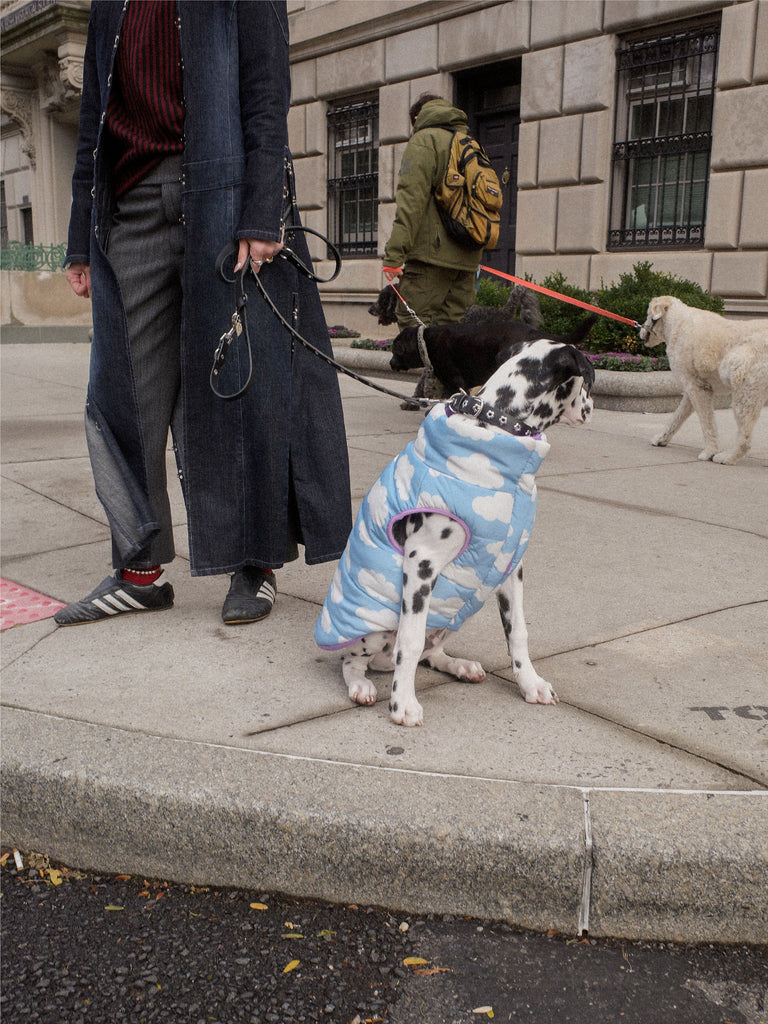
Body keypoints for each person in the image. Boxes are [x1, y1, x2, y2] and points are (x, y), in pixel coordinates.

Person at [56, 0, 351, 628]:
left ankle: (255, 561)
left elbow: (267, 94)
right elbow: (91, 121)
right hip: (130, 206)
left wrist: (263, 208)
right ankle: (139, 571)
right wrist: (79, 236)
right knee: (122, 391)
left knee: (240, 386)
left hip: (223, 199)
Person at [382, 94, 484, 403]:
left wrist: (394, 256)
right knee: (450, 332)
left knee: (415, 325)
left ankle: (443, 394)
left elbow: (410, 202)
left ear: (416, 118)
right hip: (468, 254)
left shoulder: (424, 141)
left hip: (430, 256)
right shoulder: (469, 142)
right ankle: (450, 396)